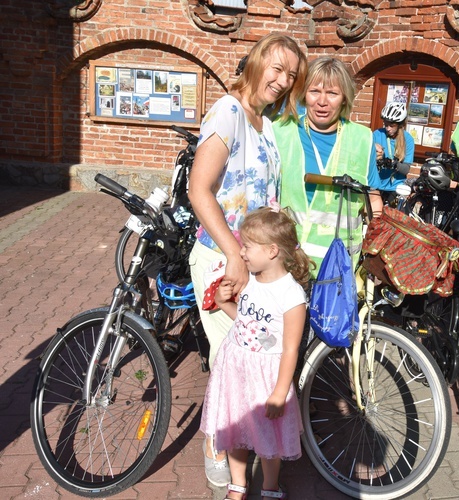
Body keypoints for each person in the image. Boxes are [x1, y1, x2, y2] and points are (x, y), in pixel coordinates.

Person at [188, 33, 306, 487]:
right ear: (256, 62)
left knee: (255, 354)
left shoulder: (264, 122)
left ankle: (251, 444)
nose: (281, 81)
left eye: (290, 75)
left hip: (256, 260)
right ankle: (217, 441)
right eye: (276, 69)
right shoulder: (229, 112)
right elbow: (200, 190)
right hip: (225, 256)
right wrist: (233, 254)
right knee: (231, 360)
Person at [200, 207, 313, 500]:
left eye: (247, 246)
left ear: (272, 250)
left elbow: (290, 348)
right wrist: (224, 304)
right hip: (237, 366)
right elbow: (248, 323)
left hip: (266, 375)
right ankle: (237, 485)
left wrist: (278, 393)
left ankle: (270, 487)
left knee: (267, 438)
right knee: (235, 428)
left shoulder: (290, 295)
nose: (242, 253)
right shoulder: (251, 280)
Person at [273, 57, 384, 274]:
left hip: (338, 268)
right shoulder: (281, 131)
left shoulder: (363, 138)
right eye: (315, 91)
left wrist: (378, 238)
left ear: (344, 98)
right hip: (284, 261)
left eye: (332, 93)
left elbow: (372, 195)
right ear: (304, 94)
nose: (322, 101)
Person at [372, 101, 414, 198]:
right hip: (376, 184)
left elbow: (406, 169)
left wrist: (394, 164)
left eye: (391, 126)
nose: (387, 129)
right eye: (385, 125)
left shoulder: (408, 139)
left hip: (396, 187)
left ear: (400, 125)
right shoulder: (377, 134)